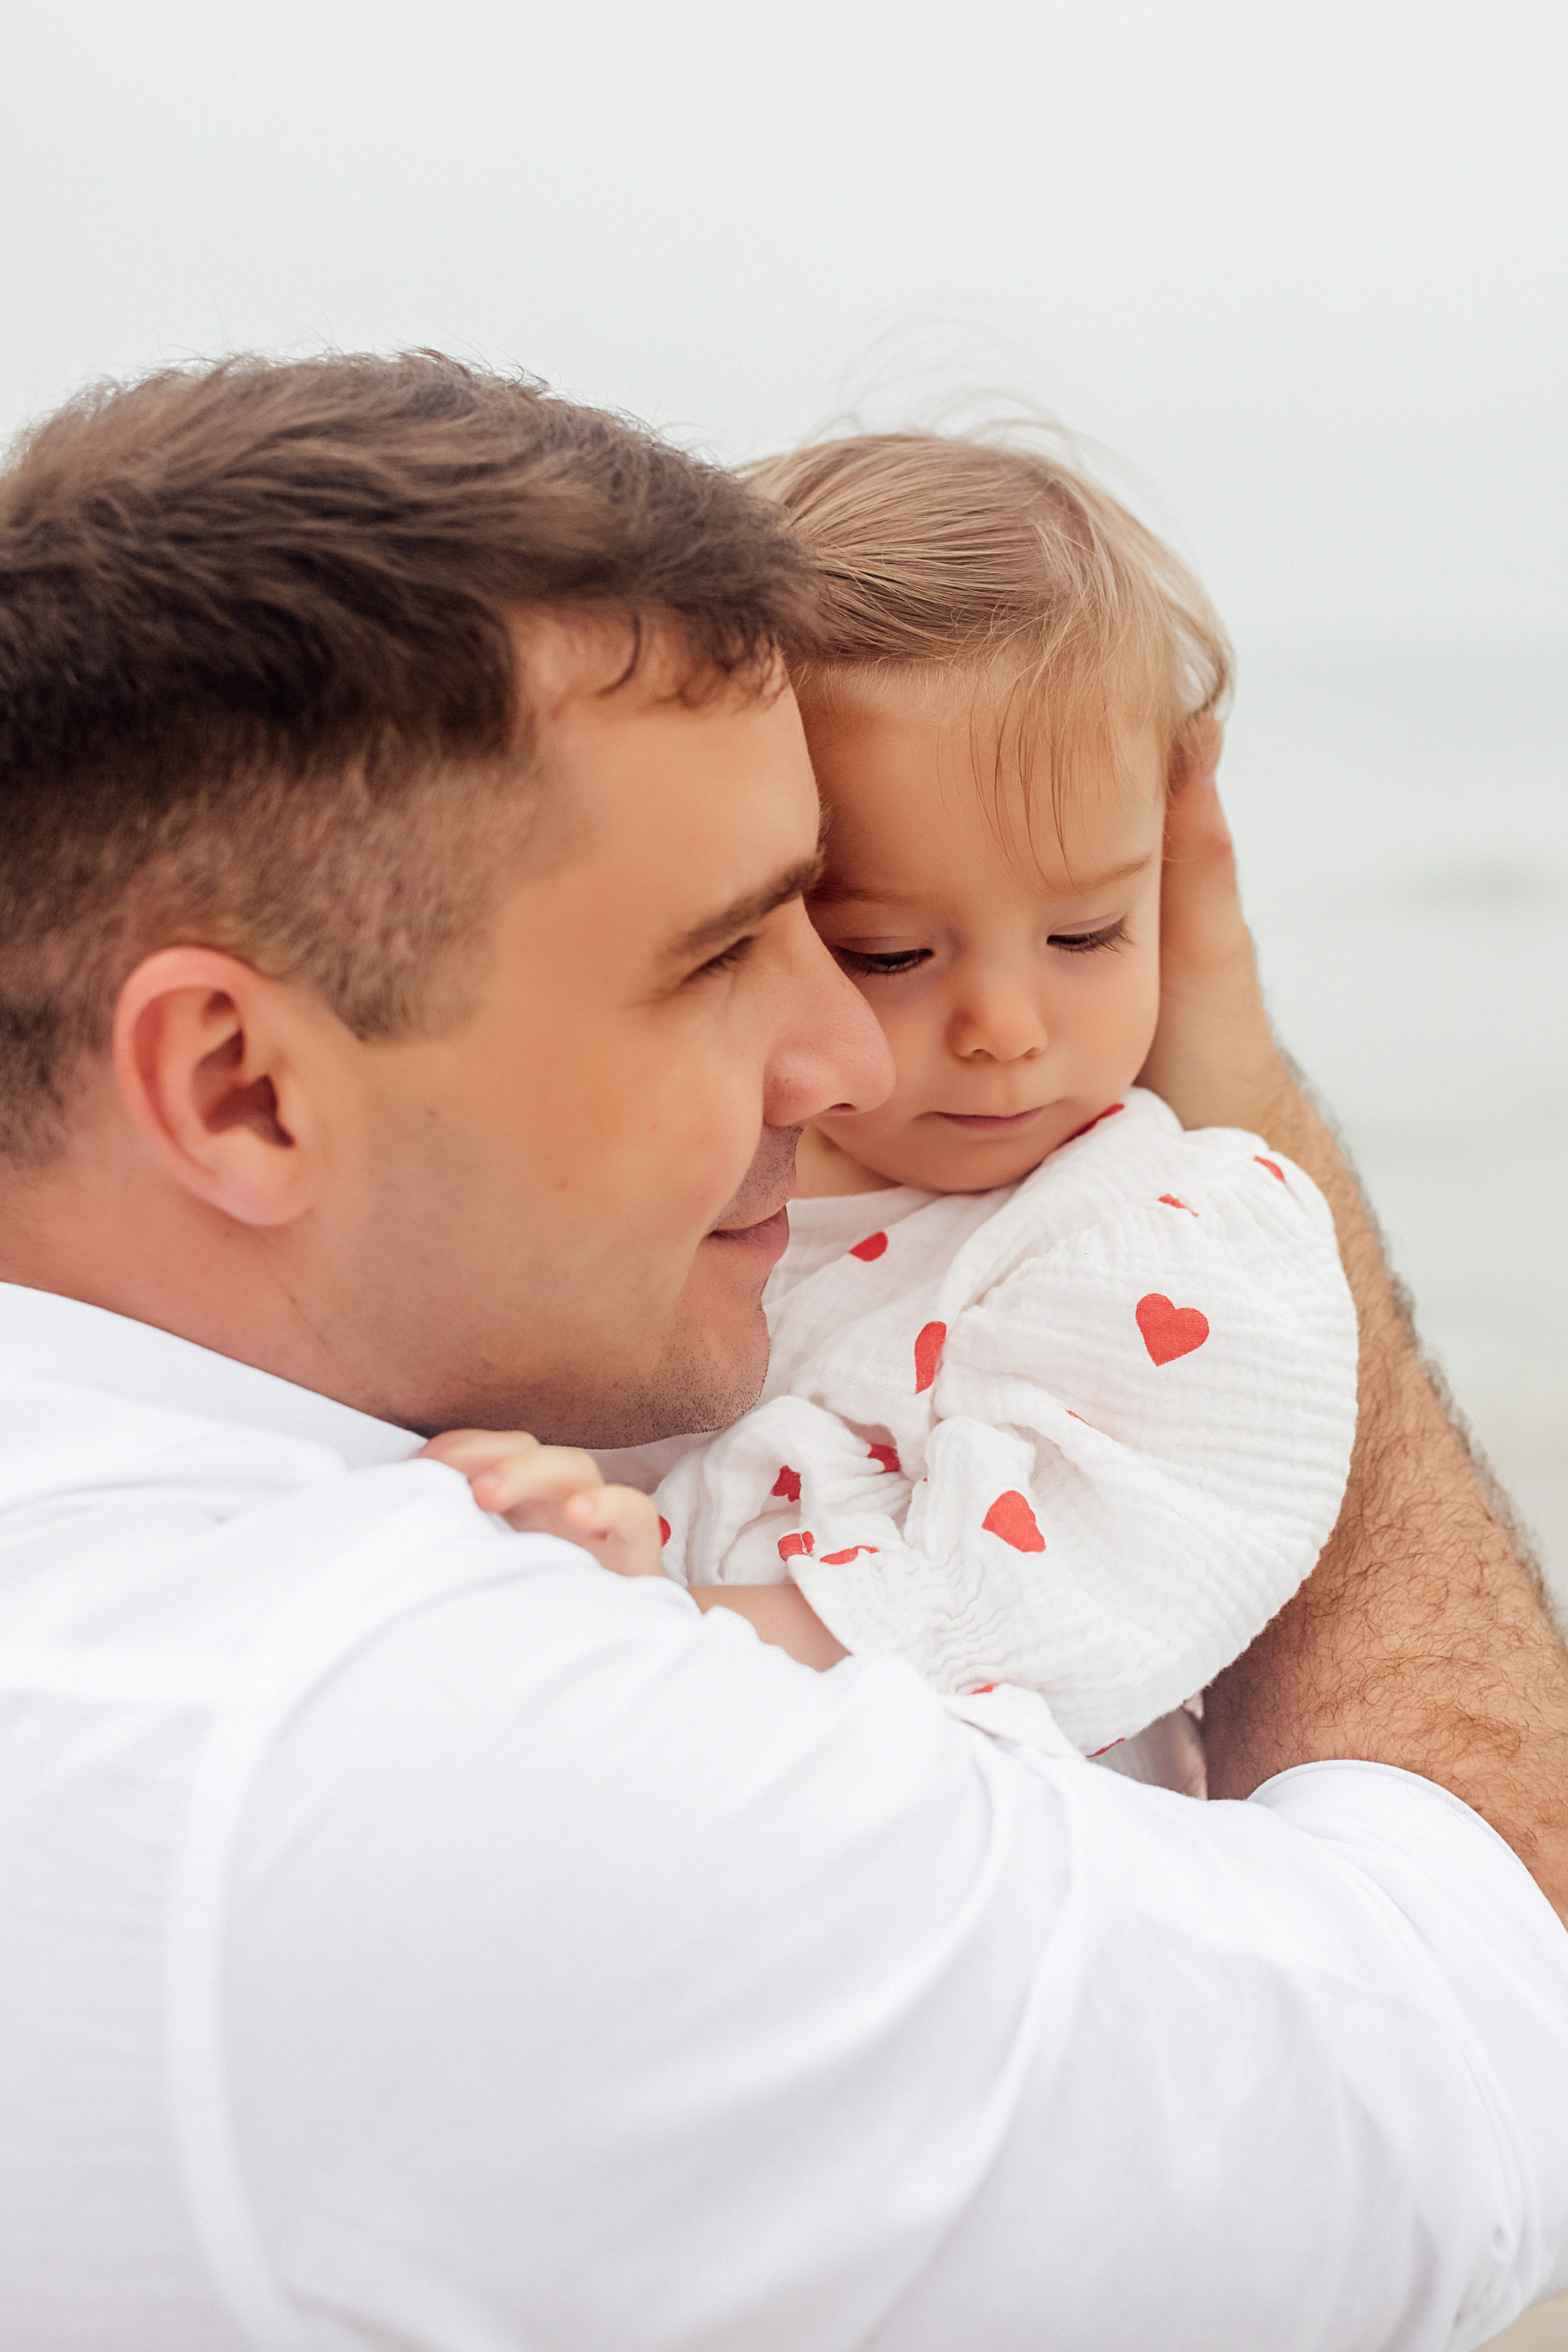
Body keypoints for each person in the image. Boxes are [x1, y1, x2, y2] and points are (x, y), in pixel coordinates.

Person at [0, 353, 1564, 2352]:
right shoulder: (446, 1772)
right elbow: (1493, 2049)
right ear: (237, 1084)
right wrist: (1260, 1100)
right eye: (733, 949)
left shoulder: (201, 1550)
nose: (840, 1058)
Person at [435, 431, 1360, 1768]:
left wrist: (665, 1624)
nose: (1004, 1029)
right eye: (889, 955)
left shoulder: (1157, 1236)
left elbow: (1080, 1600)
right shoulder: (668, 1205)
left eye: (1088, 932)